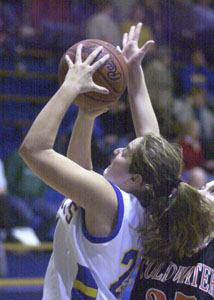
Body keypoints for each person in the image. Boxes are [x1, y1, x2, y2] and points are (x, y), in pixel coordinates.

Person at [18, 23, 207, 299]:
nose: (117, 151)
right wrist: (130, 77)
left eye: (125, 152)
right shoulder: (142, 206)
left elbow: (33, 150)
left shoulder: (109, 199)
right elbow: (146, 142)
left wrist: (70, 87)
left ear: (135, 179)